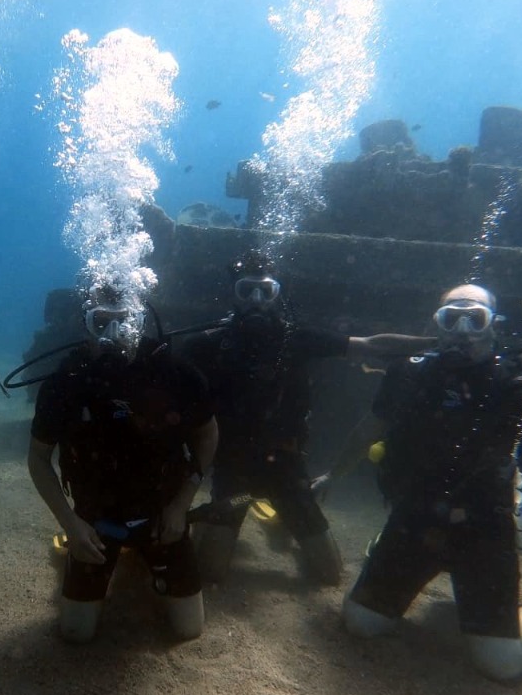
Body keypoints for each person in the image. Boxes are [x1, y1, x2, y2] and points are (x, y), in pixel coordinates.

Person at [320, 283, 522, 680]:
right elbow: (368, 431)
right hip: (415, 518)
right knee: (360, 623)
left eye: (475, 318)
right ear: (437, 324)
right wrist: (332, 475)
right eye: (452, 318)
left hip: (486, 528)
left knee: (501, 664)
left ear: (493, 325)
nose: (463, 329)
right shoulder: (409, 375)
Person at [180, 249, 433, 586]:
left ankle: (279, 517)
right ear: (233, 294)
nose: (257, 300)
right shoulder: (208, 344)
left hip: (286, 469)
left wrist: (436, 343)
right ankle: (229, 513)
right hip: (234, 468)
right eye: (247, 291)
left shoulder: (297, 338)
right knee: (211, 572)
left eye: (266, 291)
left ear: (277, 294)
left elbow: (369, 345)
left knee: (329, 575)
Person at [28, 285, 218, 643]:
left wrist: (181, 505)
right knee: (75, 632)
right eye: (101, 322)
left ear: (141, 320)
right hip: (94, 519)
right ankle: (83, 556)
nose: (114, 334)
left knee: (189, 630)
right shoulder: (66, 384)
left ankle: (145, 556)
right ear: (85, 325)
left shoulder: (176, 374)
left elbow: (208, 433)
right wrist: (70, 523)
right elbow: (38, 458)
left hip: (165, 516)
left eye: (125, 322)